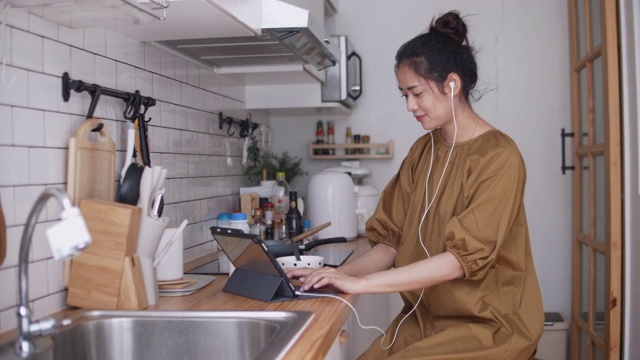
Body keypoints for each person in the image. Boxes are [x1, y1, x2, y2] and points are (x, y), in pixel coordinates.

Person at [285, 10, 544, 360]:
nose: (410, 106)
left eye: (416, 93)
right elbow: (390, 243)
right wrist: (336, 274)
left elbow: (457, 262)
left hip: (487, 328)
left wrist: (361, 285)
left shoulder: (500, 157)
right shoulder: (424, 150)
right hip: (423, 320)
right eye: (403, 95)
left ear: (452, 84)